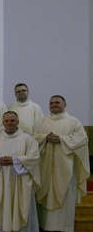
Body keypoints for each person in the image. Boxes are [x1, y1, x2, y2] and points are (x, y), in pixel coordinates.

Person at [35, 95, 90, 232]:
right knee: (47, 196)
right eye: (51, 103)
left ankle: (64, 228)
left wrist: (61, 139)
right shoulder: (43, 121)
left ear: (65, 105)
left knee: (65, 196)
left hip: (66, 167)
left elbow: (82, 140)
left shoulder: (73, 121)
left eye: (57, 103)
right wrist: (45, 138)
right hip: (46, 166)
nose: (54, 105)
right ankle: (47, 228)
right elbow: (35, 138)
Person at [0, 111, 40, 232]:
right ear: (3, 123)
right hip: (1, 180)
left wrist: (15, 161)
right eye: (7, 121)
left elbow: (34, 158)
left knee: (21, 208)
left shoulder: (28, 139)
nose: (9, 123)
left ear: (18, 122)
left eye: (12, 121)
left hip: (20, 181)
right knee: (4, 208)